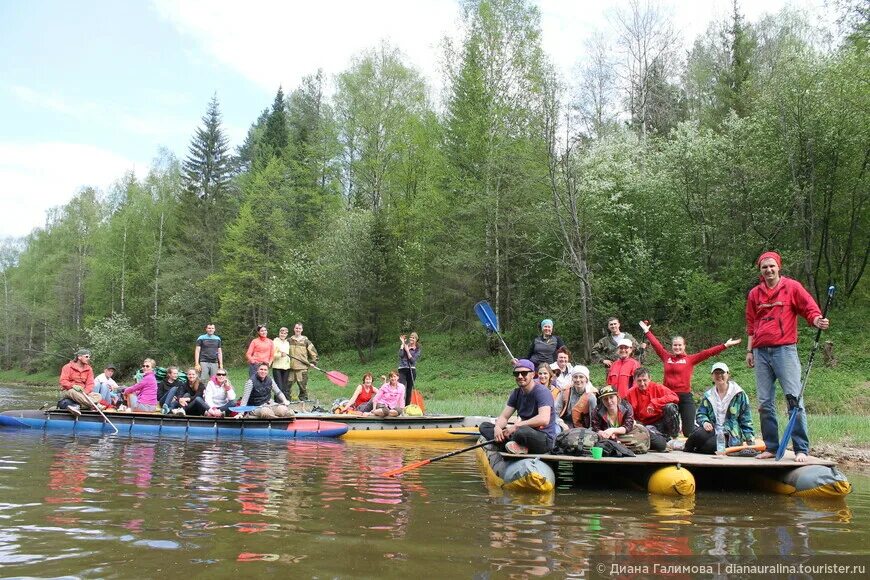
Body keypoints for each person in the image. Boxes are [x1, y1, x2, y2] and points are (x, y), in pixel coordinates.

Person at [746, 251, 829, 462]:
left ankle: (801, 448)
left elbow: (809, 308)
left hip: (785, 351)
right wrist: (749, 351)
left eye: (772, 266)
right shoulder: (755, 294)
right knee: (765, 402)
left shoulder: (792, 287)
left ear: (778, 267)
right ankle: (772, 447)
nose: (768, 270)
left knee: (794, 399)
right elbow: (751, 325)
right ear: (761, 271)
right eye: (764, 267)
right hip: (760, 352)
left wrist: (817, 319)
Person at [640, 320, 742, 436]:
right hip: (668, 397)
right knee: (669, 432)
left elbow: (707, 353)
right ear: (672, 346)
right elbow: (656, 345)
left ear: (684, 346)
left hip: (685, 397)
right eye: (675, 345)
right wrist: (647, 332)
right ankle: (670, 436)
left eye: (679, 345)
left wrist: (725, 345)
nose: (677, 347)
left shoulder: (690, 359)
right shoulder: (666, 357)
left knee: (688, 432)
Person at [479, 359, 557, 455]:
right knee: (484, 426)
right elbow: (504, 417)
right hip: (521, 432)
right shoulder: (516, 393)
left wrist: (516, 426)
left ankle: (505, 445)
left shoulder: (542, 392)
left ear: (532, 374)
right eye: (517, 374)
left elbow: (544, 419)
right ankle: (512, 446)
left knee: (521, 432)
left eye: (524, 373)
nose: (520, 376)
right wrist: (498, 428)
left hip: (542, 438)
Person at [685, 363, 755, 454]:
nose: (719, 376)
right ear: (712, 376)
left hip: (730, 434)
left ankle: (698, 450)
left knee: (711, 446)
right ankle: (687, 450)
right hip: (712, 429)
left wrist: (751, 442)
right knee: (697, 435)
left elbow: (746, 419)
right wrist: (705, 421)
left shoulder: (739, 394)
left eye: (722, 373)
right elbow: (701, 414)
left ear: (728, 374)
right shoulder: (708, 395)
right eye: (716, 373)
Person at [625, 367, 680, 442]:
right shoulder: (629, 393)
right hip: (644, 425)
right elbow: (626, 411)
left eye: (644, 380)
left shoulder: (657, 387)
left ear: (650, 378)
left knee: (670, 407)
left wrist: (655, 403)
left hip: (661, 421)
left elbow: (674, 397)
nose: (642, 384)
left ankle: (674, 437)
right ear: (634, 380)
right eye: (639, 381)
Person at [591, 385, 652, 451]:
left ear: (617, 397)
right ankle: (618, 445)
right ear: (602, 401)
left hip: (625, 434)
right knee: (594, 438)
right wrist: (603, 433)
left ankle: (614, 444)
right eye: (605, 399)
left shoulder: (626, 406)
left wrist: (613, 430)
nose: (609, 401)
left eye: (611, 397)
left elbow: (628, 426)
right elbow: (595, 428)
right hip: (607, 436)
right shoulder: (597, 410)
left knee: (659, 444)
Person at [58, 348, 99, 415]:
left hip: (82, 392)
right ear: (79, 357)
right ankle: (94, 405)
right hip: (69, 390)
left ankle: (82, 405)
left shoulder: (89, 369)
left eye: (89, 357)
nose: (88, 358)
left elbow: (90, 383)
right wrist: (72, 386)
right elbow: (63, 381)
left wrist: (85, 392)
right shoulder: (67, 367)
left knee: (98, 395)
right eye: (86, 356)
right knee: (73, 392)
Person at [287, 322, 318, 401]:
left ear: (302, 330)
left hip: (302, 368)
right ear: (294, 329)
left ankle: (304, 404)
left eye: (299, 328)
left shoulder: (306, 341)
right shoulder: (289, 340)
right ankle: (286, 404)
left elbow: (314, 353)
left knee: (303, 388)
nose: (298, 330)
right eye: (296, 328)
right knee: (287, 387)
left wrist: (313, 362)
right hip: (290, 368)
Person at [398, 332, 421, 404]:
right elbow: (401, 355)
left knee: (409, 389)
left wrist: (408, 351)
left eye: (413, 338)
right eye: (411, 337)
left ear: (416, 340)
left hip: (411, 370)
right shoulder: (405, 345)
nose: (411, 339)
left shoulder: (417, 350)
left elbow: (412, 361)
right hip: (402, 369)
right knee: (401, 388)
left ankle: (407, 406)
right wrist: (402, 344)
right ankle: (399, 407)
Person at [271, 327, 292, 399]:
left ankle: (284, 402)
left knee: (284, 386)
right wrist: (280, 355)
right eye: (281, 333)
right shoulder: (275, 342)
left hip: (286, 367)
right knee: (278, 386)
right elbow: (272, 355)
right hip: (277, 367)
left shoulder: (287, 343)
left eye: (284, 333)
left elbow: (288, 354)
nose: (283, 335)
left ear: (287, 334)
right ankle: (277, 401)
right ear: (279, 333)